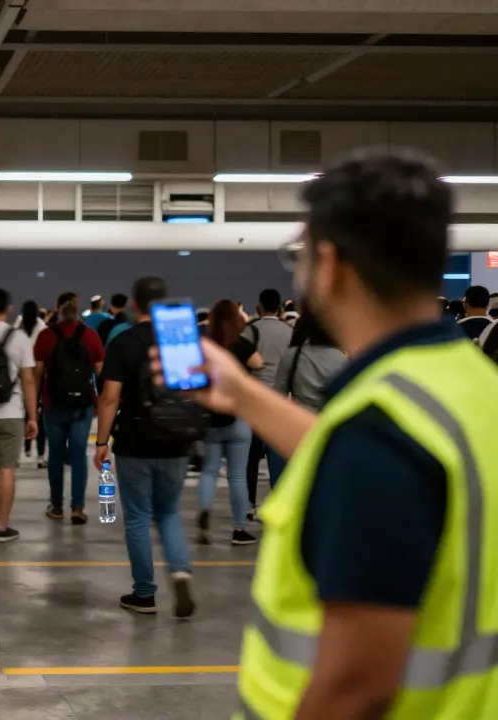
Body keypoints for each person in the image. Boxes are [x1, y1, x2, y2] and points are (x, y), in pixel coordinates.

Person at [178, 151, 498, 720]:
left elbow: (357, 685)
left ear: (329, 264)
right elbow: (360, 455)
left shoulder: (380, 430)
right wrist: (244, 393)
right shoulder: (467, 385)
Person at [93, 276, 196, 618]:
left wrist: (101, 442)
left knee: (137, 517)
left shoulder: (123, 342)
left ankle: (144, 593)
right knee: (168, 512)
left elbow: (110, 398)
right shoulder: (177, 340)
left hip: (136, 441)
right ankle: (180, 572)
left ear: (134, 304)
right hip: (176, 440)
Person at [195, 300, 263, 547]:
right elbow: (259, 363)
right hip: (237, 417)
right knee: (237, 475)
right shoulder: (241, 343)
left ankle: (204, 515)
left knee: (209, 471)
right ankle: (239, 528)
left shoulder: (205, 345)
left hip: (210, 418)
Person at [34, 292, 105, 523]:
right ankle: (77, 508)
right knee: (78, 456)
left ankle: (56, 506)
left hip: (53, 404)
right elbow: (101, 372)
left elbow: (37, 374)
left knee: (55, 456)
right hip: (82, 406)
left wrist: (34, 403)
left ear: (57, 308)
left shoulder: (45, 336)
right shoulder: (90, 336)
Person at [0, 288, 38, 543]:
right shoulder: (19, 337)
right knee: (6, 470)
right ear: (9, 309)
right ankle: (2, 527)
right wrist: (32, 417)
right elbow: (28, 379)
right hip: (11, 412)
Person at [265, 308, 347, 488]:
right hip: (329, 429)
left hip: (298, 425)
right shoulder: (342, 359)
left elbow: (277, 395)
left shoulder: (293, 355)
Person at [242, 288, 293, 521]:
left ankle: (249, 504)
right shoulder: (290, 332)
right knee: (277, 458)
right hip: (280, 400)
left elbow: (243, 361)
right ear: (280, 307)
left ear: (259, 307)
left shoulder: (250, 330)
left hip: (254, 400)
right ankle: (279, 503)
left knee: (250, 458)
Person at [14, 300, 47, 467]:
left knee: (21, 416)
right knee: (37, 418)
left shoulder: (17, 326)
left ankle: (21, 453)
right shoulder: (42, 327)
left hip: (19, 378)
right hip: (38, 377)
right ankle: (40, 456)